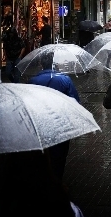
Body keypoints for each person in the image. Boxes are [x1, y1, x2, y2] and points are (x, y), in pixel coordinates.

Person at [28, 51, 80, 182]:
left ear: (41, 64)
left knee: (42, 156)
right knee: (59, 157)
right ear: (54, 64)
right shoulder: (64, 79)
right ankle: (56, 181)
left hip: (40, 125)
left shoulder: (33, 81)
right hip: (60, 126)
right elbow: (75, 103)